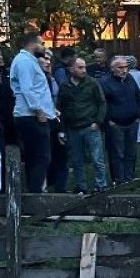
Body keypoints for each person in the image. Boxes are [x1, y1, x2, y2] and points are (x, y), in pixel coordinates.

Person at [10, 33, 56, 193]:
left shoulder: (30, 61)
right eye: (42, 43)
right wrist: (38, 109)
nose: (44, 47)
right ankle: (35, 194)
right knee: (42, 157)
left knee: (35, 156)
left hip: (33, 114)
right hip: (30, 115)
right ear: (33, 44)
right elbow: (27, 88)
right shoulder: (24, 61)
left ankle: (34, 191)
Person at [57, 57, 109, 194]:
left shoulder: (92, 83)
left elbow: (102, 103)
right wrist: (61, 130)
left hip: (90, 126)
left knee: (97, 159)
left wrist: (97, 122)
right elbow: (60, 108)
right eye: (80, 67)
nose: (83, 70)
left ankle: (101, 185)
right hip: (72, 127)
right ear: (71, 69)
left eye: (84, 67)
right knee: (77, 160)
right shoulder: (64, 85)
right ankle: (81, 186)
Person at [101, 56, 140, 184]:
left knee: (131, 152)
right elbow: (103, 104)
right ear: (113, 68)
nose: (124, 70)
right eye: (121, 67)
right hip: (115, 123)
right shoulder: (105, 82)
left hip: (132, 121)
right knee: (117, 153)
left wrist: (138, 115)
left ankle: (129, 178)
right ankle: (118, 180)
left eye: (126, 67)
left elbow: (138, 97)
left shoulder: (130, 79)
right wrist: (108, 120)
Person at [40, 53, 69, 193]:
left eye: (49, 59)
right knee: (45, 157)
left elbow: (60, 103)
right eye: (44, 59)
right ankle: (43, 188)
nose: (47, 62)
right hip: (43, 121)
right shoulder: (37, 81)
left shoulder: (53, 79)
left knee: (61, 156)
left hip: (57, 121)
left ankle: (60, 188)